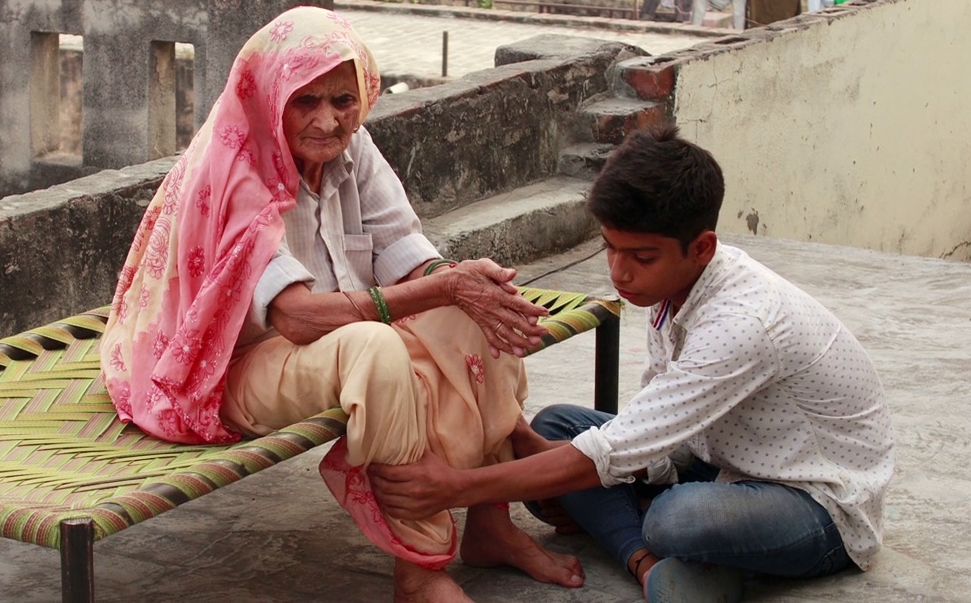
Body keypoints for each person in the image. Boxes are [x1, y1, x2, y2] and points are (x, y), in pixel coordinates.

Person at [97, 6, 585, 601]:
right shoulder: (235, 172)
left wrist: (457, 284)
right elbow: (296, 318)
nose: (329, 121)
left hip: (338, 332)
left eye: (343, 101)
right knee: (377, 351)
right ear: (273, 98)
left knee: (477, 309)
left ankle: (491, 524)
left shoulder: (355, 148)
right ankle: (420, 571)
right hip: (231, 367)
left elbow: (404, 248)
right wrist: (442, 288)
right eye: (307, 102)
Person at [370, 125, 895, 602]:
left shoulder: (743, 320)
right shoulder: (674, 287)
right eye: (610, 248)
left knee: (674, 518)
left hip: (814, 502)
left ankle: (646, 549)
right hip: (713, 457)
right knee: (557, 426)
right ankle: (656, 564)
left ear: (702, 248)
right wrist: (548, 458)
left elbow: (624, 446)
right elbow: (649, 435)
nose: (620, 272)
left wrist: (458, 487)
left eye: (641, 257)